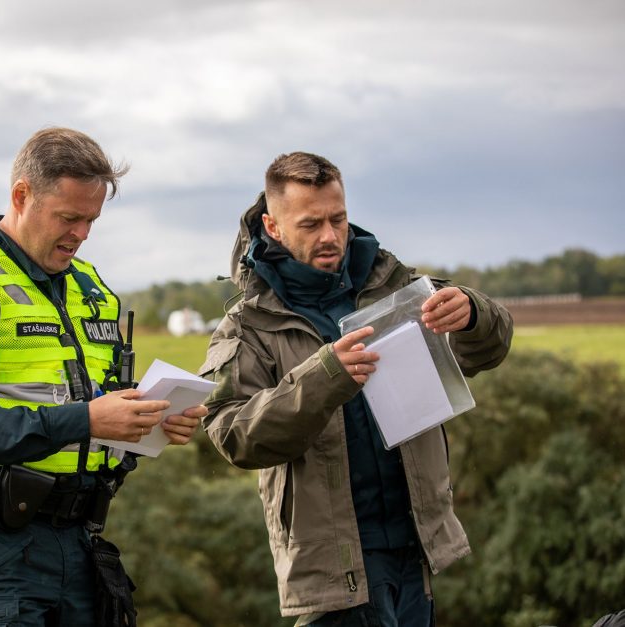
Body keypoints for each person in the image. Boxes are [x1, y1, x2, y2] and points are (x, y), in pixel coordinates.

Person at [0, 127, 206, 626]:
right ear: (21, 196)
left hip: (80, 538)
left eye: (92, 220)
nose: (82, 234)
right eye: (69, 217)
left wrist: (150, 418)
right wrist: (87, 420)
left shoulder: (89, 287)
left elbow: (98, 401)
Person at [197, 152, 513, 627]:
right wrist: (324, 376)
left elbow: (487, 349)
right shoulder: (247, 324)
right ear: (273, 225)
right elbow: (233, 436)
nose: (329, 236)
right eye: (310, 224)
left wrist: (472, 313)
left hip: (416, 550)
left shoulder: (395, 285)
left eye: (338, 219)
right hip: (332, 569)